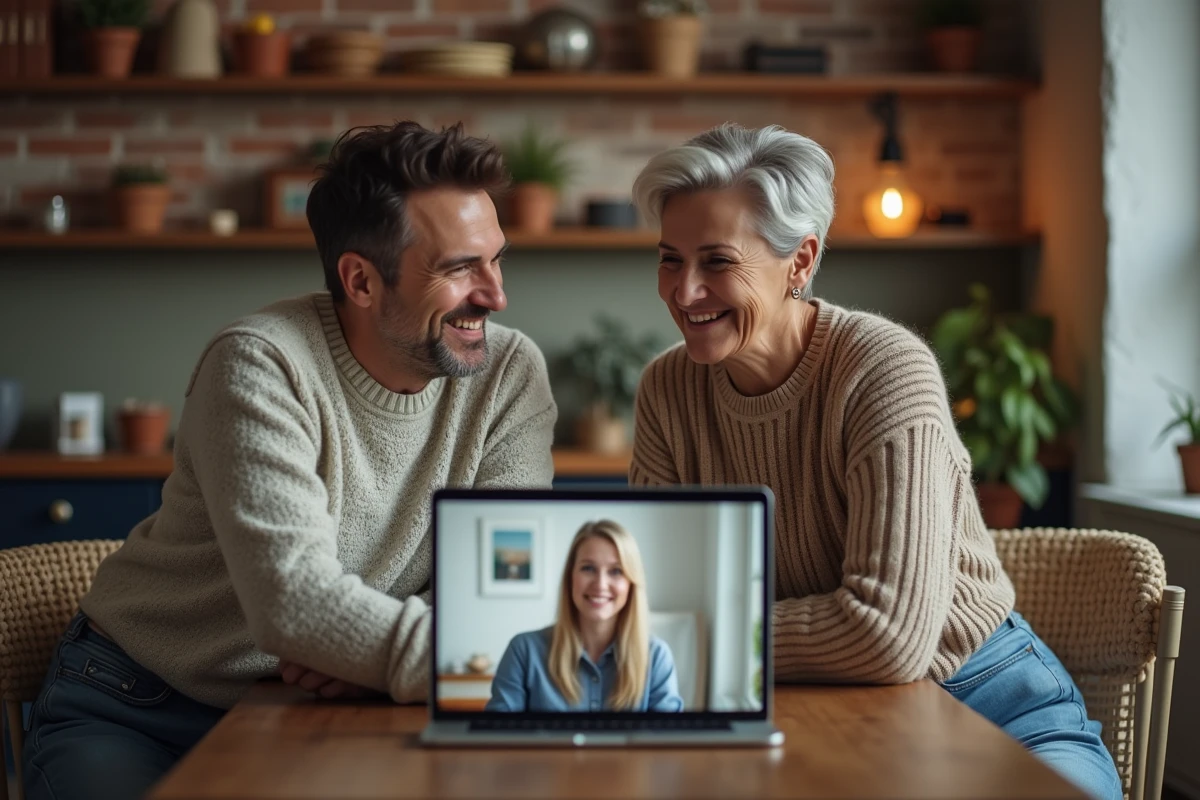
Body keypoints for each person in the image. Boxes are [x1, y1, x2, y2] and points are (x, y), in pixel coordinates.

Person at [22, 121, 558, 800]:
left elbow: (502, 585)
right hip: (141, 706)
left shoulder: (510, 373)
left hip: (329, 703)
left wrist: (359, 653)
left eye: (497, 259)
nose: (496, 294)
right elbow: (296, 606)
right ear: (361, 281)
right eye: (459, 269)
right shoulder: (260, 363)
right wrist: (477, 658)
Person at [626, 123, 1121, 800]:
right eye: (668, 259)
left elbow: (886, 636)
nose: (683, 293)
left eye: (716, 262)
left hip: (993, 706)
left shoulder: (883, 369)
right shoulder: (667, 388)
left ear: (799, 263)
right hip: (807, 708)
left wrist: (703, 637)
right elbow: (657, 607)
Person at [486, 520, 684, 712]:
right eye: (588, 568)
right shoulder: (524, 652)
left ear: (631, 584)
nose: (600, 584)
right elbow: (496, 739)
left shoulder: (656, 656)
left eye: (616, 571)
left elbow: (668, 743)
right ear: (570, 577)